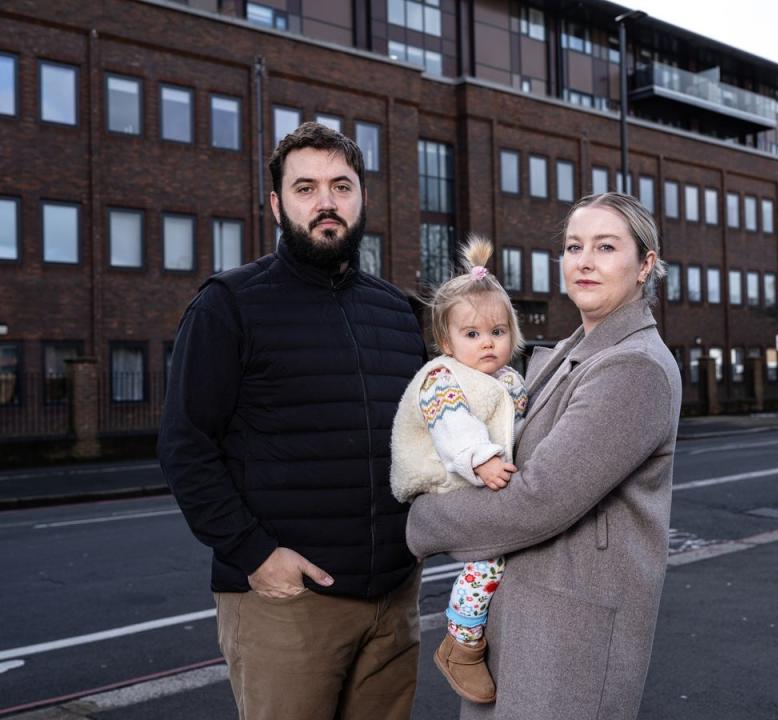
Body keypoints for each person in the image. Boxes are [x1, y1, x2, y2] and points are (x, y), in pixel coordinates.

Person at [157, 122, 426, 720]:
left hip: (394, 598)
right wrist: (255, 554)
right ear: (277, 204)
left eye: (341, 185)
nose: (326, 201)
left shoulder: (398, 311)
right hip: (287, 601)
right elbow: (185, 447)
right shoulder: (228, 304)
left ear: (362, 200)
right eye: (306, 188)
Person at [406, 191, 682, 720]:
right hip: (525, 621)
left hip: (569, 635)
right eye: (574, 246)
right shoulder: (567, 353)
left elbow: (539, 500)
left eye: (606, 247)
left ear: (646, 264)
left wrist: (418, 523)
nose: (584, 260)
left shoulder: (634, 367)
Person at [390, 235, 527, 705]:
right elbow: (453, 426)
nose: (487, 343)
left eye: (498, 332)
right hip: (438, 474)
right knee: (488, 557)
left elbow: (518, 420)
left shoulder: (505, 379)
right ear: (447, 342)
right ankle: (462, 643)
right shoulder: (441, 379)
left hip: (472, 473)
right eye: (472, 335)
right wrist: (482, 457)